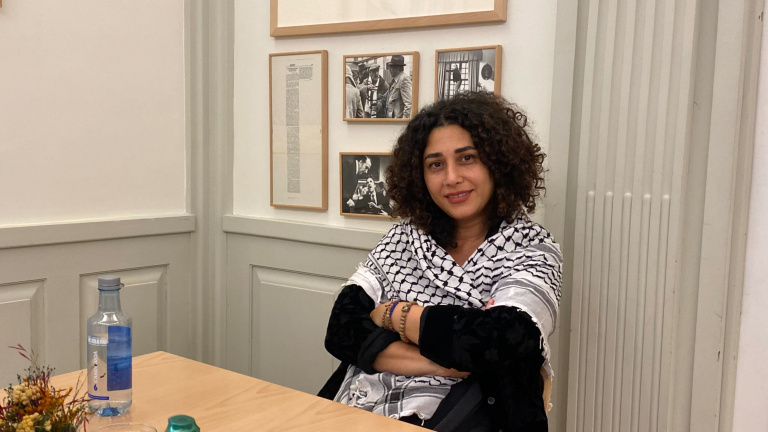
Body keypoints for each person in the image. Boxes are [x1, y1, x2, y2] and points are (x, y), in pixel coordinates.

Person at [319, 92, 562, 431]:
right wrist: (443, 364)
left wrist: (396, 314)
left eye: (467, 158)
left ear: (498, 163)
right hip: (362, 409)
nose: (451, 178)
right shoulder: (404, 239)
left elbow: (503, 340)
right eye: (435, 164)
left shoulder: (531, 247)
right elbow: (342, 329)